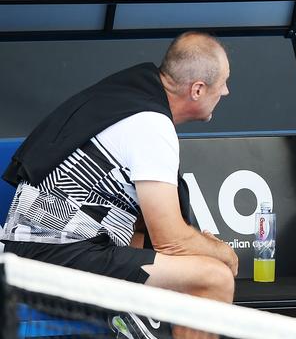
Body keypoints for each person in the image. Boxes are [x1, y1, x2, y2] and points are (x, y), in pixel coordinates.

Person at [0, 31, 237, 337]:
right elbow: (171, 240)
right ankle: (130, 313)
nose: (227, 91)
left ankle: (131, 314)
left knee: (145, 232)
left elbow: (149, 227)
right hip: (48, 259)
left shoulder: (128, 95)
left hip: (39, 250)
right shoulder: (151, 124)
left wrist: (198, 246)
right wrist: (223, 252)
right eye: (223, 82)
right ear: (198, 89)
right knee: (214, 278)